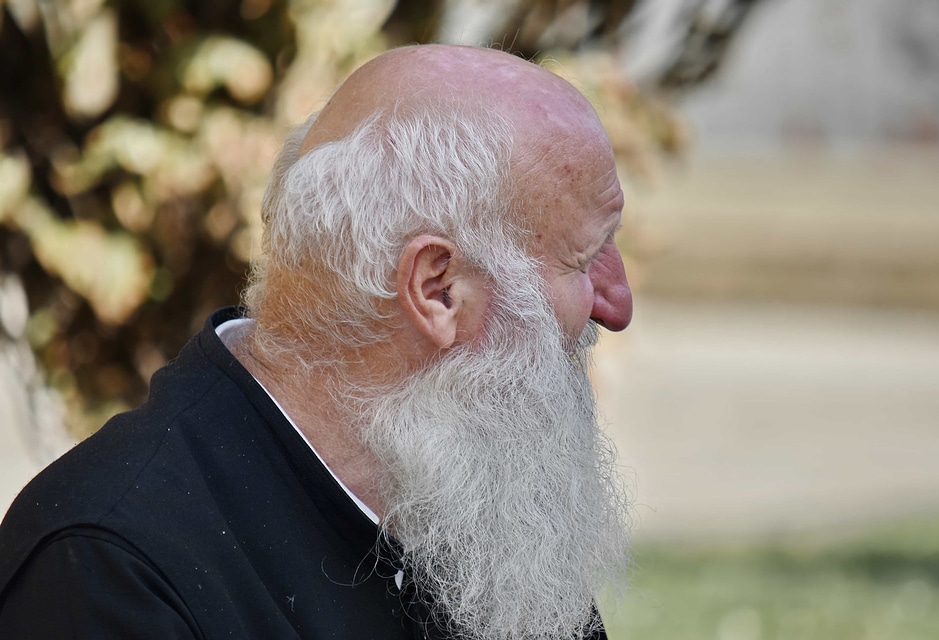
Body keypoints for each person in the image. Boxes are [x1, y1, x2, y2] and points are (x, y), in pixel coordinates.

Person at [0, 44, 634, 639]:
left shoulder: (475, 497)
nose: (617, 303)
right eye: (584, 258)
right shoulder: (106, 570)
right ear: (438, 289)